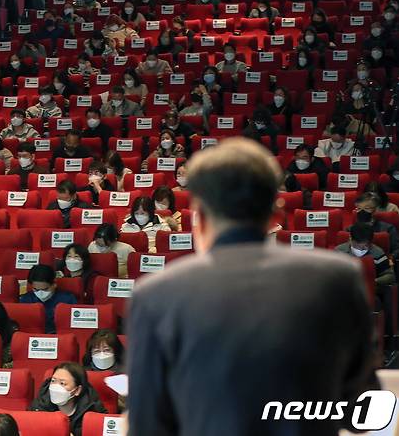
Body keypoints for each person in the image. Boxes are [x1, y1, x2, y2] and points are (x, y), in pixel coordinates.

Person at [127, 137, 377, 436]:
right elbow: (363, 411)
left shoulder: (155, 295)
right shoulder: (339, 278)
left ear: (200, 219)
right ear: (277, 214)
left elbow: (147, 426)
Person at [29, 362, 106, 436]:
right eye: (53, 381)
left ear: (77, 390)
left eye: (62, 383)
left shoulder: (94, 411)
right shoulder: (38, 407)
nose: (55, 387)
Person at [20, 264, 77, 333]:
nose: (40, 293)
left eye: (45, 289)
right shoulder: (25, 300)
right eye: (36, 289)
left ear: (54, 284)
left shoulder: (68, 299)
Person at [336, 223, 395, 287]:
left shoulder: (377, 253)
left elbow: (390, 276)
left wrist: (373, 282)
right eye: (359, 246)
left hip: (370, 289)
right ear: (350, 238)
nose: (363, 249)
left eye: (366, 245)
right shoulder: (339, 252)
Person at [352, 192, 399, 258]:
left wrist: (390, 258)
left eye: (367, 208)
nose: (362, 211)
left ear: (375, 210)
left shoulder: (388, 228)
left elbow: (397, 249)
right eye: (359, 209)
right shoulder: (350, 229)